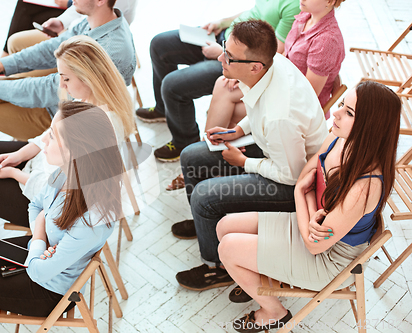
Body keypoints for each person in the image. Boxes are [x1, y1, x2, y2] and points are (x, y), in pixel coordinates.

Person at [0, 35, 134, 266]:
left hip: (43, 202)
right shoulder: (86, 98)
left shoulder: (98, 125)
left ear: (88, 76)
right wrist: (20, 155)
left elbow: (59, 192)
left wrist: (15, 173)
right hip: (39, 165)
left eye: (66, 78)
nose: (62, 85)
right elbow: (49, 135)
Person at [0, 100, 124, 333]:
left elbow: (39, 272)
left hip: (45, 290)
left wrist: (39, 237)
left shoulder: (93, 219)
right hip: (37, 253)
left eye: (53, 137)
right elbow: (36, 205)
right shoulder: (66, 173)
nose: (43, 143)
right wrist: (41, 241)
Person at [217, 81, 401, 332]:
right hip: (315, 227)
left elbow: (315, 244)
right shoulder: (339, 137)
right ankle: (259, 273)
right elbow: (309, 172)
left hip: (332, 260)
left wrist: (301, 195)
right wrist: (309, 206)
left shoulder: (365, 187)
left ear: (370, 127)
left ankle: (274, 312)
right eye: (341, 105)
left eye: (349, 113)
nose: (335, 114)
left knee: (228, 249)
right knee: (224, 226)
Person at [0, 0, 136, 197]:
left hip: (59, 120)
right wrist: (1, 66)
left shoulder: (108, 48)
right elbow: (53, 48)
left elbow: (48, 89)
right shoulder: (99, 22)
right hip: (59, 106)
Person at [171, 20, 327, 295]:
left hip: (294, 184)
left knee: (205, 196)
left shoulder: (281, 116)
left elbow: (291, 174)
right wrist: (236, 130)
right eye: (224, 49)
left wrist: (243, 162)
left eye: (229, 57)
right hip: (275, 150)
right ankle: (204, 226)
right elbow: (257, 111)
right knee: (191, 156)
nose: (221, 58)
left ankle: (217, 267)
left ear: (255, 65)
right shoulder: (270, 65)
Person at [167, 0, 345, 190]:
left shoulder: (327, 40)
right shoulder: (303, 17)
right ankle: (210, 157)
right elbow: (280, 57)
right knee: (223, 86)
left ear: (330, 1)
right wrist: (237, 130)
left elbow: (305, 91)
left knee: (225, 96)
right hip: (278, 90)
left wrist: (244, 161)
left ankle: (210, 169)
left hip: (293, 121)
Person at [135, 0, 301, 162]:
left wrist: (223, 53)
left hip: (236, 60)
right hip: (225, 39)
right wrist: (222, 23)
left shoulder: (295, 5)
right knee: (159, 44)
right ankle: (164, 109)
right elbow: (255, 13)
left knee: (172, 86)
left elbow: (274, 54)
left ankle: (185, 143)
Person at [7, 0, 139, 56]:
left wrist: (69, 3)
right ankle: (3, 64)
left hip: (88, 41)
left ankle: (5, 68)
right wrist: (62, 22)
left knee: (16, 44)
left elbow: (93, 13)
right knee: (15, 41)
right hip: (80, 25)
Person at [1, 0, 71, 57]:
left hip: (73, 10)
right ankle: (6, 58)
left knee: (16, 41)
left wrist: (69, 3)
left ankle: (6, 58)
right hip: (72, 9)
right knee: (25, 6)